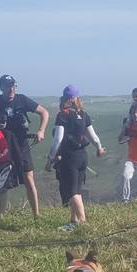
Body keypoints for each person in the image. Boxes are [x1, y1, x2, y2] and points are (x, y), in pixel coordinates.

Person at [0, 75, 49, 218]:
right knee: (2, 181)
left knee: (28, 177)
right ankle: (0, 217)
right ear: (1, 88)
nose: (12, 89)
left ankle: (36, 214)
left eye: (14, 86)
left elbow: (44, 112)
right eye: (8, 86)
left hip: (21, 144)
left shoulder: (22, 99)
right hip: (2, 145)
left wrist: (41, 130)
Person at [47, 85, 105, 232]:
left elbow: (57, 139)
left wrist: (50, 158)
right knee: (77, 189)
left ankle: (83, 224)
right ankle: (73, 221)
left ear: (65, 98)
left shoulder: (63, 115)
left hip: (69, 157)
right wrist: (99, 147)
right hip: (82, 156)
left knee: (71, 192)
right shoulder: (84, 114)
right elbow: (93, 136)